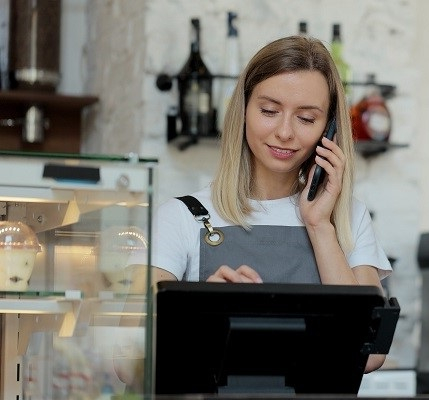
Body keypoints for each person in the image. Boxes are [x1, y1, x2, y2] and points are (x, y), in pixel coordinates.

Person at [146, 35, 392, 372]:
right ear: (243, 110)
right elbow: (127, 361)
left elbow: (371, 355)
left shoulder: (348, 217)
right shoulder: (181, 217)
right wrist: (199, 312)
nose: (285, 132)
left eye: (306, 118)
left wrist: (320, 225)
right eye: (269, 111)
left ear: (330, 129)